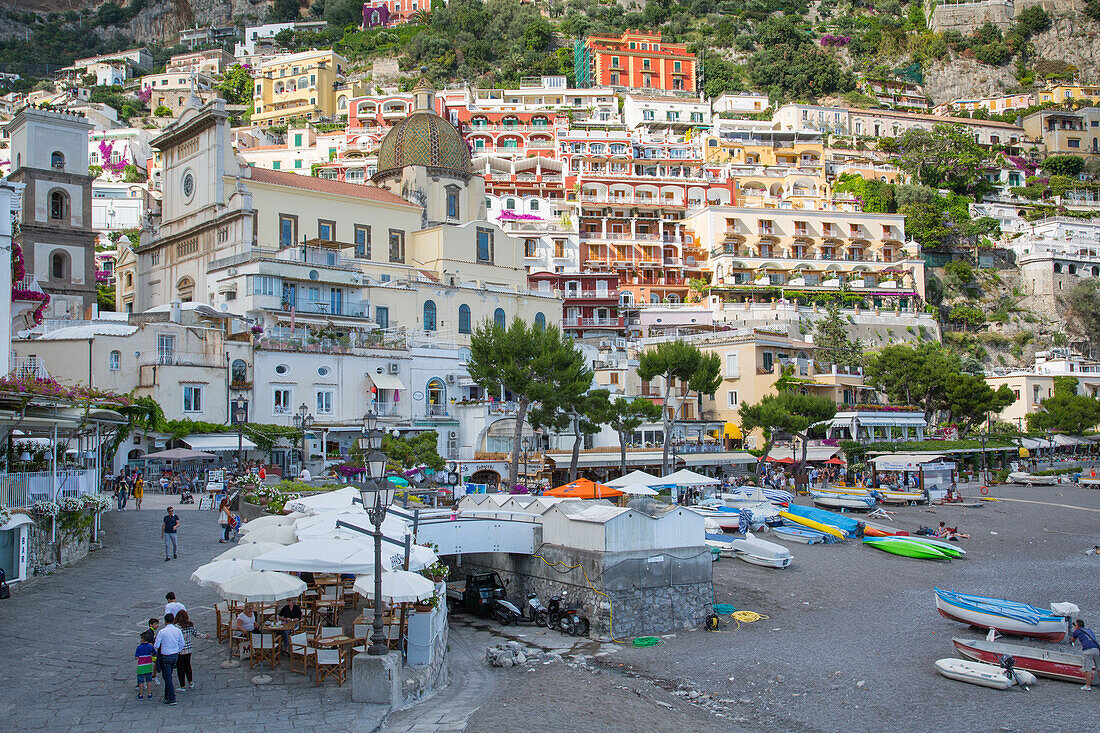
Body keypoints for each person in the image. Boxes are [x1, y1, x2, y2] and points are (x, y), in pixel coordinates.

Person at [173, 610, 208, 692]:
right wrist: (205, 636)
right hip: (188, 649)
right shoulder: (189, 626)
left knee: (180, 668)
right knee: (187, 665)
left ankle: (182, 685)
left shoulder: (176, 627)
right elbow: (196, 634)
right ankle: (190, 682)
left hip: (180, 650)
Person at [153, 613, 184, 705]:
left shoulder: (162, 632)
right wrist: (177, 650)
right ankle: (167, 696)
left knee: (167, 677)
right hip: (175, 655)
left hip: (166, 656)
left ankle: (172, 697)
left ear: (165, 621)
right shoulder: (178, 631)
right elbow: (182, 643)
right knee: (168, 675)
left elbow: (156, 645)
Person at [1071, 619, 1100, 691]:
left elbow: (1072, 640)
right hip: (1096, 649)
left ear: (1077, 625)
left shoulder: (1077, 631)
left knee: (1088, 668)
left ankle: (1087, 686)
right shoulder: (1089, 630)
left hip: (1087, 650)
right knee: (1099, 667)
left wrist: (1075, 630)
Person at [135, 630, 156, 701]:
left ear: (142, 639)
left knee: (140, 681)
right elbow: (154, 653)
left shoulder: (139, 647)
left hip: (141, 666)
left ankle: (140, 695)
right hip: (149, 665)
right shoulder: (150, 647)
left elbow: (136, 657)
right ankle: (149, 694)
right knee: (149, 680)